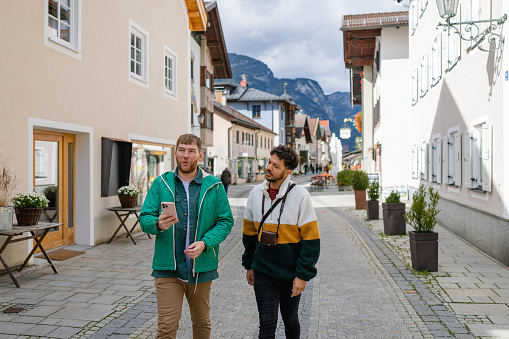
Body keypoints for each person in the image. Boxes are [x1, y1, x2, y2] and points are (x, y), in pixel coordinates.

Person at [140, 134, 234, 339]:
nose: (185, 155)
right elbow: (145, 217)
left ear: (200, 155)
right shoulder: (160, 183)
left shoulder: (214, 185)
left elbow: (226, 221)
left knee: (201, 324)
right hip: (167, 269)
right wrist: (157, 224)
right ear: (175, 153)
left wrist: (205, 242)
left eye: (191, 151)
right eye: (181, 150)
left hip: (201, 269)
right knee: (166, 328)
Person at [242, 145, 320, 338]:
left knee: (290, 318)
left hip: (290, 272)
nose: (269, 167)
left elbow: (311, 241)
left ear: (287, 172)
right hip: (263, 270)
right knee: (267, 323)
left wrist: (302, 275)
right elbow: (249, 234)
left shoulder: (300, 196)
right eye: (269, 162)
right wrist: (249, 265)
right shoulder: (255, 194)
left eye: (275, 166)